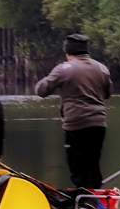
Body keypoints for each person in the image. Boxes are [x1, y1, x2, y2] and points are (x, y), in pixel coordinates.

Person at [34, 32, 111, 190]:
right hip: (99, 124)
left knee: (78, 169)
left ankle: (84, 205)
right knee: (93, 165)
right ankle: (96, 199)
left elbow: (41, 90)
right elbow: (108, 93)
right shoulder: (102, 68)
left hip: (76, 125)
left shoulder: (64, 69)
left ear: (68, 52)